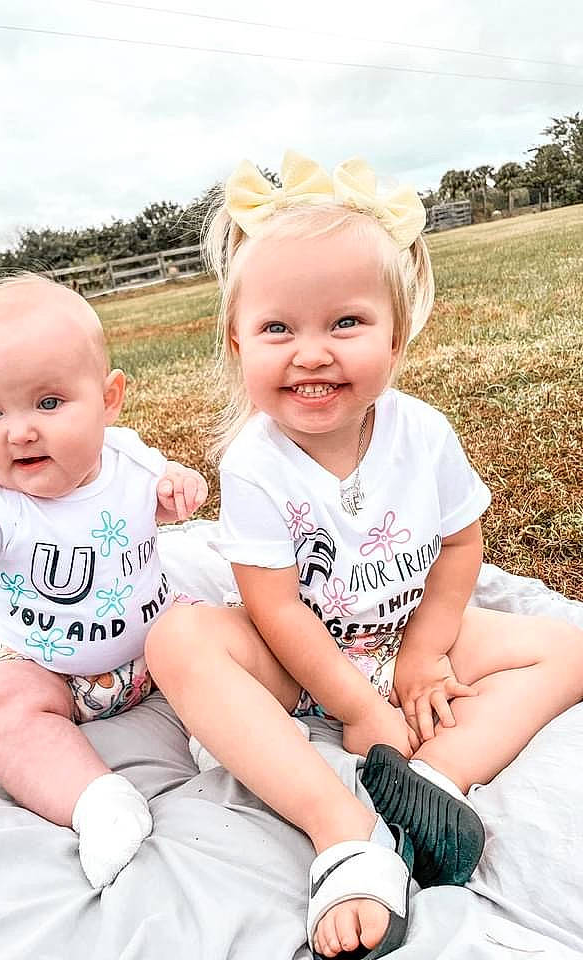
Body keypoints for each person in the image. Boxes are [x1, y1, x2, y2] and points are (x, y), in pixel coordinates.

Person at [144, 151, 583, 959]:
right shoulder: (254, 460)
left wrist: (423, 653)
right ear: (239, 345)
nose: (311, 352)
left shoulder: (423, 433)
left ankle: (435, 783)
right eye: (277, 328)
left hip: (407, 631)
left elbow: (459, 544)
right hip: (302, 660)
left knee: (574, 646)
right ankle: (342, 831)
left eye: (345, 323)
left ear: (397, 330)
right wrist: (356, 708)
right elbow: (273, 606)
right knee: (180, 638)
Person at [0, 274, 208, 889]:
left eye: (48, 404)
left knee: (214, 636)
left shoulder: (131, 460)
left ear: (109, 400)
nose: (18, 431)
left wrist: (179, 488)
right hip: (40, 660)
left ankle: (224, 733)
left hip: (155, 648)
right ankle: (95, 801)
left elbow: (161, 497)